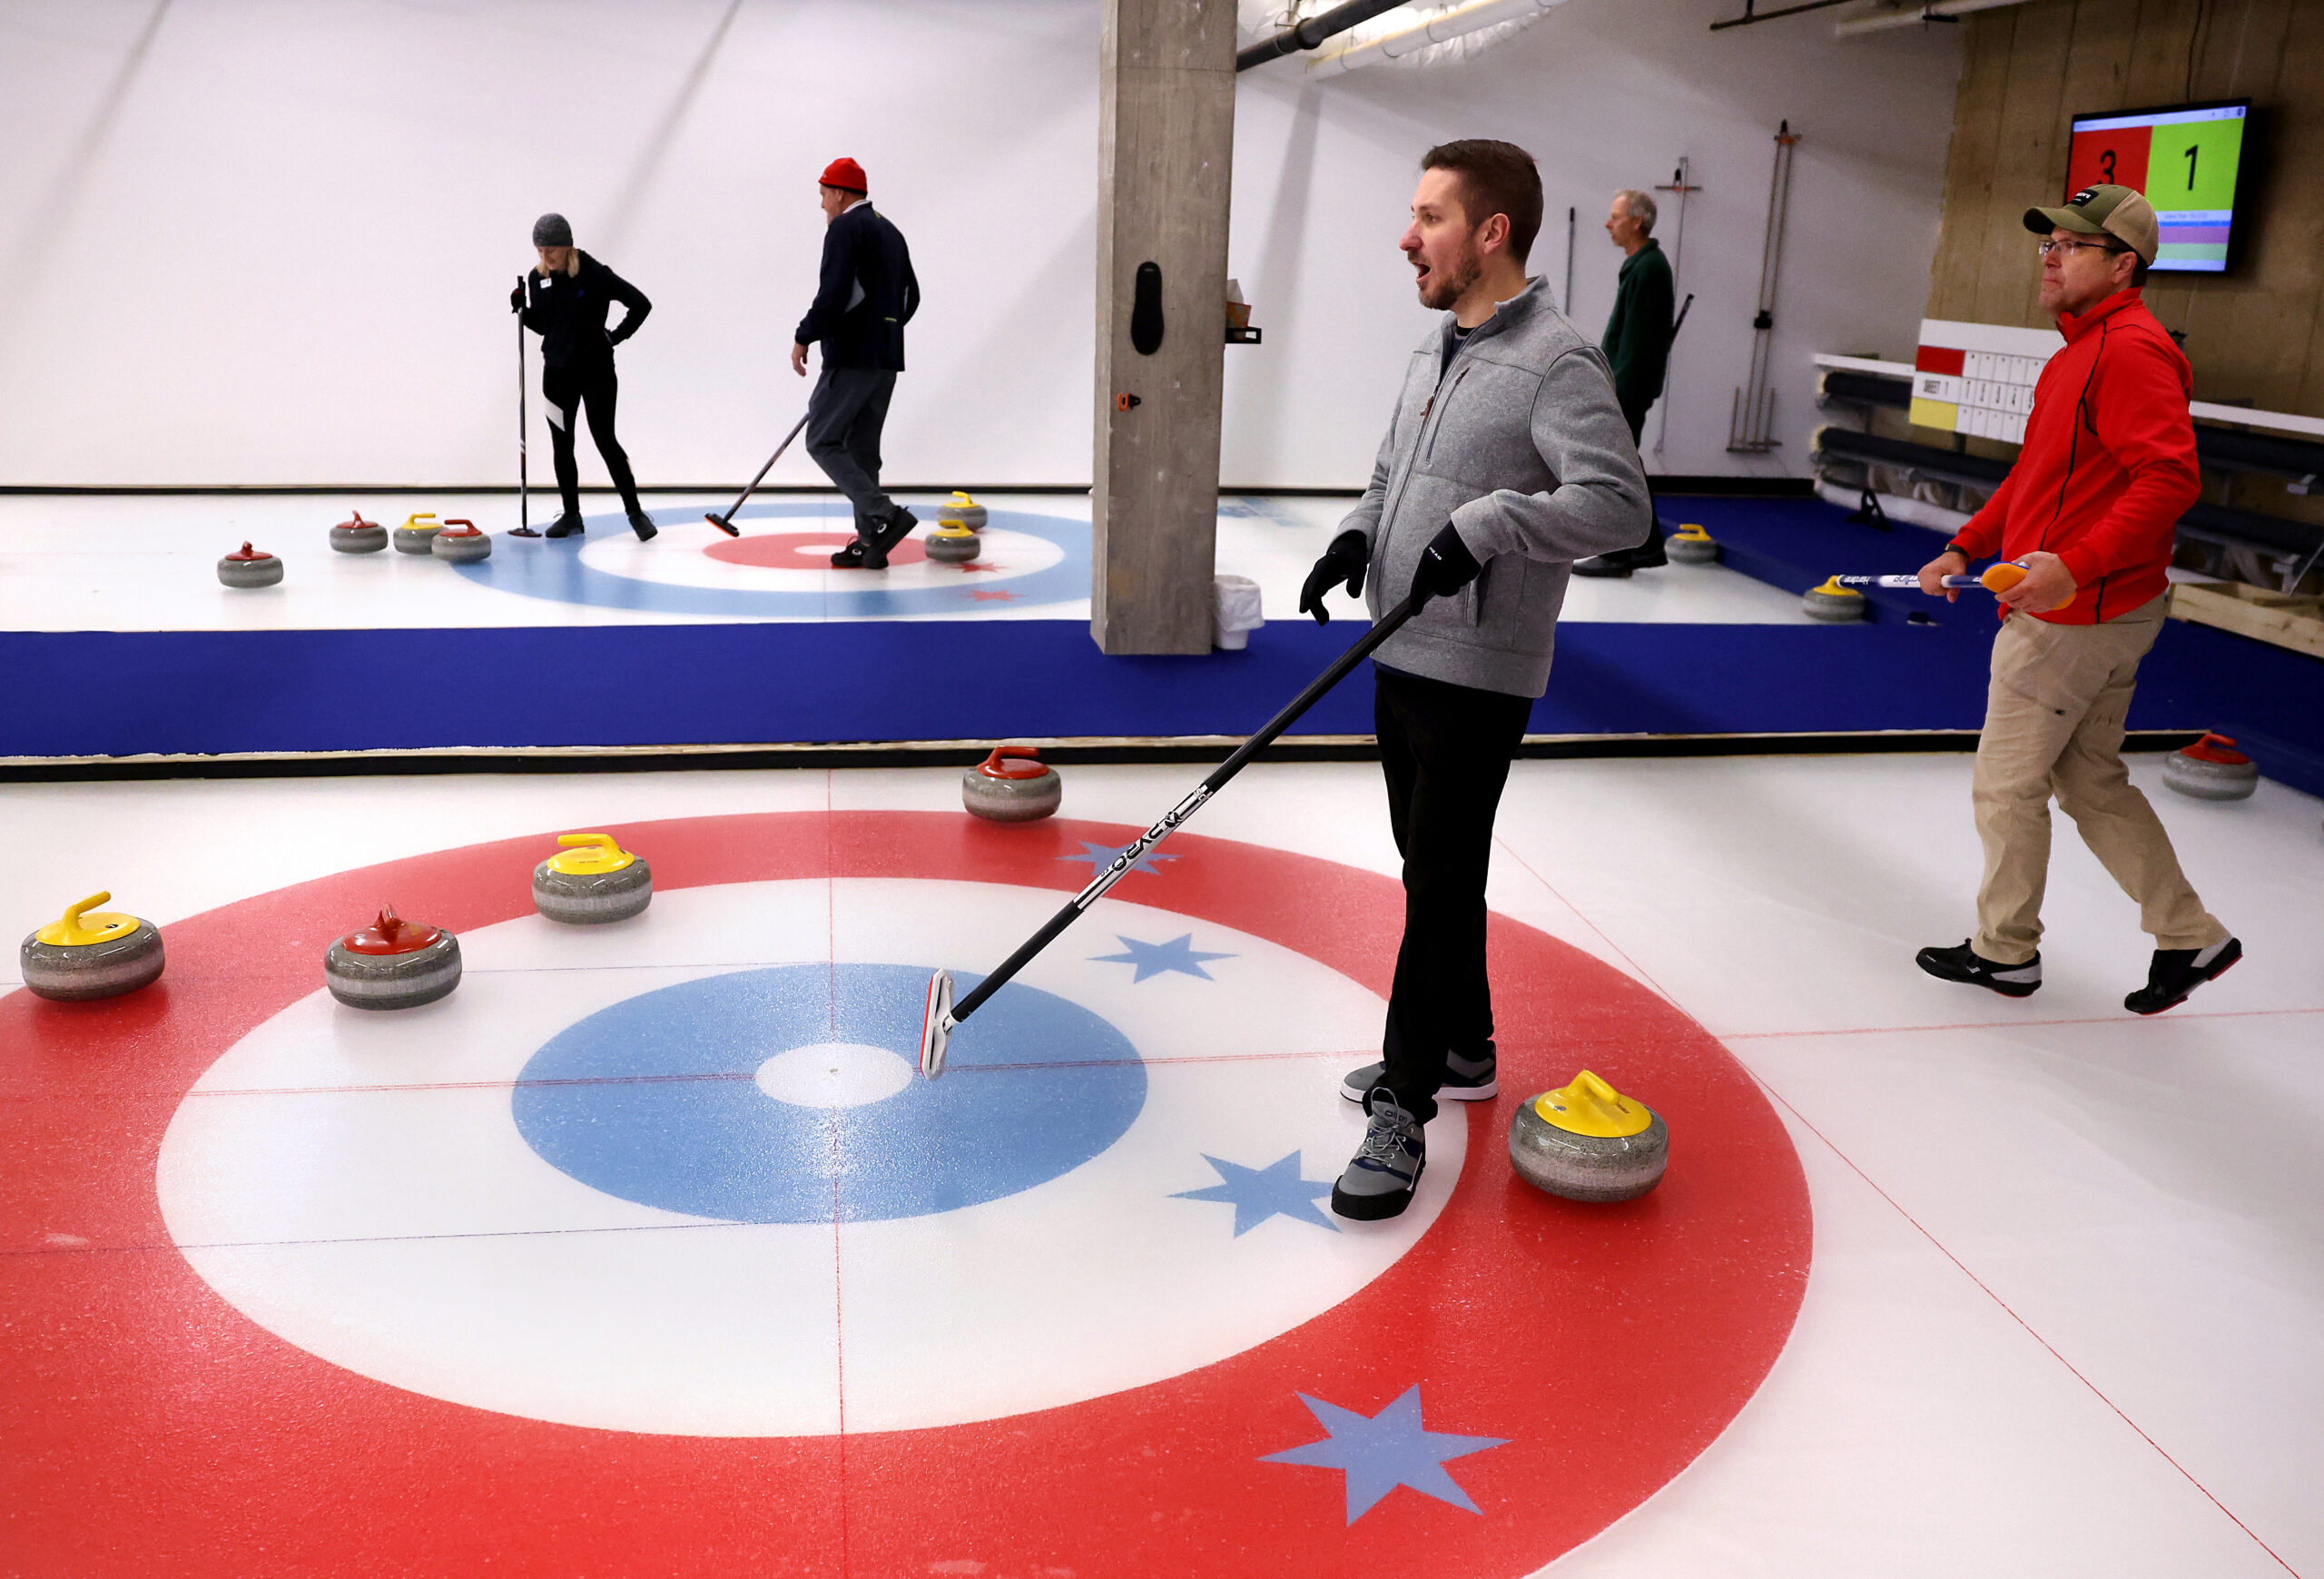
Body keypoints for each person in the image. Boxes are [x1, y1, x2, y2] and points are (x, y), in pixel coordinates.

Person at [1296, 140, 1650, 1220]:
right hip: (1399, 643)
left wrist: (1494, 522)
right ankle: (1465, 1044)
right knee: (1431, 866)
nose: (1408, 237)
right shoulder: (1433, 347)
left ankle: (1405, 1104)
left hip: (1477, 668)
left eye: (1430, 217)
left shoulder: (1557, 360)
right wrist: (1358, 534)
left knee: (1436, 880)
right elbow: (1390, 471)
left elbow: (1618, 505)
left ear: (1490, 233)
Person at [1913, 183, 2240, 1015]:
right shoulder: (2078, 353)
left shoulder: (2128, 350)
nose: (2051, 256)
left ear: (2123, 265)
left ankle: (2004, 951)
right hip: (2102, 608)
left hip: (2076, 616)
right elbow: (2039, 477)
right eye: (2047, 242)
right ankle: (2189, 933)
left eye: (2072, 245)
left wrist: (2074, 565)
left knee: (2007, 784)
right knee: (2090, 781)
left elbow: (2171, 477)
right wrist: (1966, 543)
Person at [792, 157, 921, 569]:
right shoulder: (890, 230)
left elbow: (833, 295)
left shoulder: (845, 229)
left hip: (850, 356)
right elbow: (911, 297)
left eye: (824, 195)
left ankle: (885, 515)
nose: (822, 205)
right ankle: (872, 545)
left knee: (822, 439)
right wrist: (885, 330)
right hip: (886, 357)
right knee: (862, 450)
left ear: (841, 193)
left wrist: (804, 335)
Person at [510, 213, 656, 540]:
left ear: (567, 246)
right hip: (556, 374)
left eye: (551, 250)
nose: (545, 257)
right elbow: (548, 326)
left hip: (596, 372)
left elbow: (640, 304)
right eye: (539, 250)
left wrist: (614, 337)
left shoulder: (594, 274)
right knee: (562, 444)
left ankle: (635, 512)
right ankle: (572, 516)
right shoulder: (538, 279)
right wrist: (523, 311)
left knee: (606, 440)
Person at [1572, 188, 1674, 577]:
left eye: (1614, 217)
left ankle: (1620, 553)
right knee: (1625, 464)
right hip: (1626, 383)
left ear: (1636, 222)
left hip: (1628, 386)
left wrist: (1615, 391)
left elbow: (1638, 344)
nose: (1607, 223)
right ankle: (1645, 547)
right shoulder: (1643, 265)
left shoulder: (1649, 268)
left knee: (1617, 468)